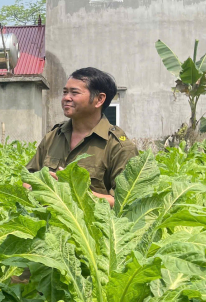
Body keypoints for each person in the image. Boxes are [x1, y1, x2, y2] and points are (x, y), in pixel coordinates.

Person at [26, 67, 138, 207]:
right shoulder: (53, 136)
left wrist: (76, 192)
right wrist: (35, 187)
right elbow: (27, 177)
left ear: (99, 99)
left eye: (75, 92)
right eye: (65, 92)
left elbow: (126, 202)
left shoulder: (118, 146)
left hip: (89, 228)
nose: (66, 98)